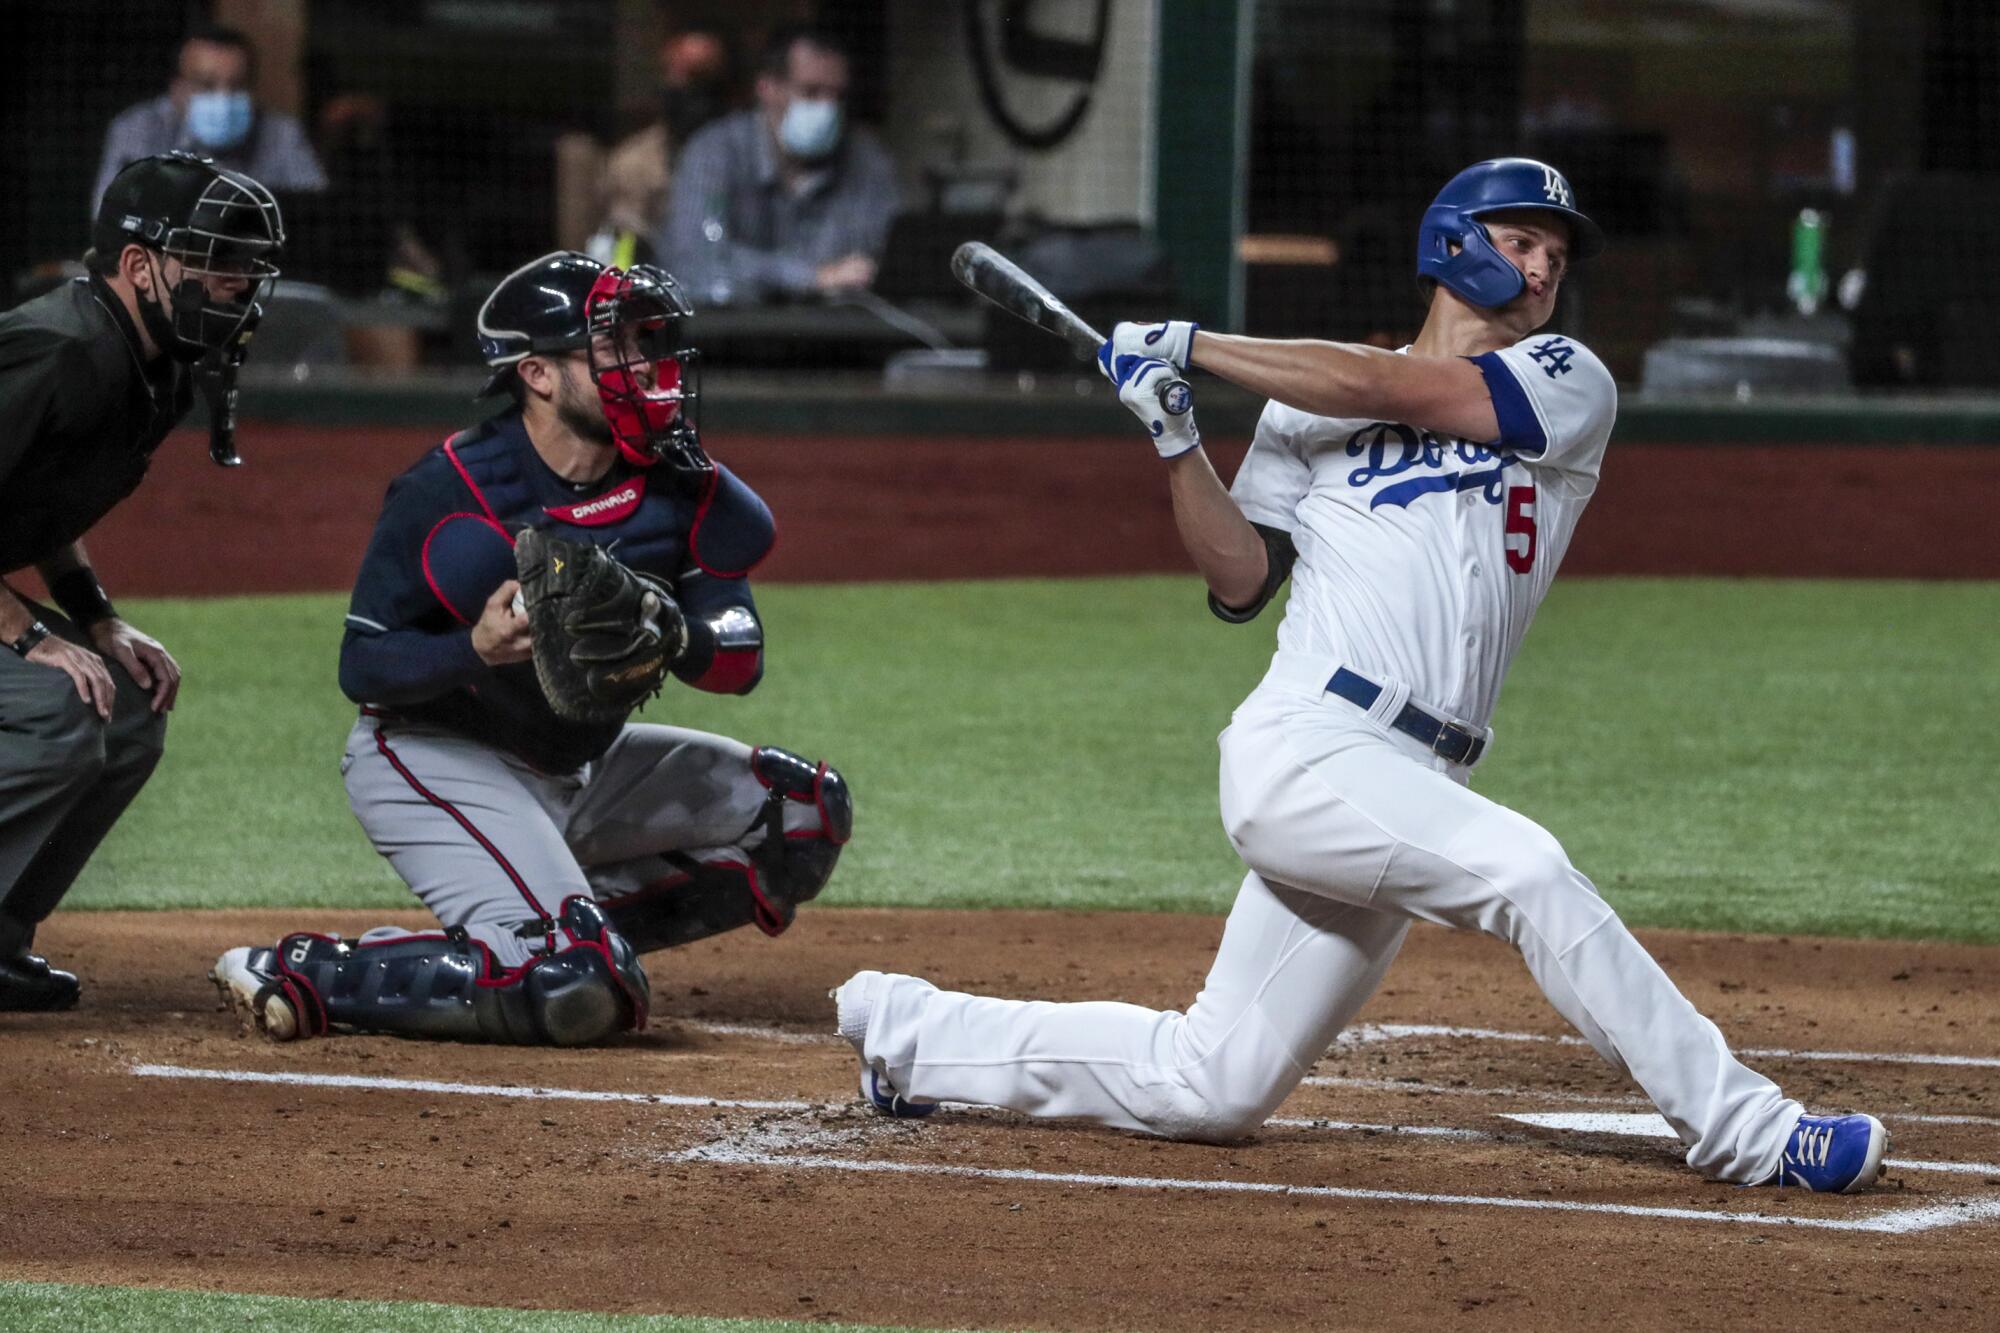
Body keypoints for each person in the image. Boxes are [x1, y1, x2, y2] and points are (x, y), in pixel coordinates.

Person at [832, 158, 1889, 1194]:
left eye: (1554, 256)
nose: (1539, 271)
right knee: (1526, 873)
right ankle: (1752, 1131)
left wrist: (1193, 342)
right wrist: (1173, 438)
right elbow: (1239, 578)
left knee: (1210, 1083)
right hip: (1306, 747)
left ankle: (910, 1035)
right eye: (1520, 242)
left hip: (1414, 781)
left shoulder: (1563, 379)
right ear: (1453, 245)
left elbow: (1390, 384)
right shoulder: (1303, 407)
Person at [209, 251, 851, 1046]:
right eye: (617, 347)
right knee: (580, 987)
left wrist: (679, 634)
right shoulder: (449, 492)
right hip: (437, 758)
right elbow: (363, 667)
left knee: (802, 814)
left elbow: (738, 659)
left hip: (583, 767)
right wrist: (475, 650)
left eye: (650, 343)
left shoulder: (678, 481)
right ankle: (308, 970)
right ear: (539, 375)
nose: (647, 365)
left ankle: (532, 941)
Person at [0, 152, 284, 1010]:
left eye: (247, 266)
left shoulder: (156, 362)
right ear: (139, 265)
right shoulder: (54, 350)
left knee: (125, 702)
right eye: (217, 261)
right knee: (54, 706)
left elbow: (41, 501)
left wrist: (97, 620)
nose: (240, 284)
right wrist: (27, 635)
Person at [657, 25, 900, 307]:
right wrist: (811, 277)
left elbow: (878, 261)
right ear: (767, 88)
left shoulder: (867, 160)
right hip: (732, 338)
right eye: (811, 92)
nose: (828, 108)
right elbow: (697, 257)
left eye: (837, 95)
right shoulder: (714, 151)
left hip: (837, 337)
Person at [90, 24, 326, 213]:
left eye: (237, 86)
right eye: (206, 85)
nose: (223, 97)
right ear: (176, 87)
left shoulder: (282, 133)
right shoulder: (136, 128)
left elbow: (315, 217)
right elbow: (108, 218)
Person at [586, 29, 737, 270]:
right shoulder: (633, 163)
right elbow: (623, 249)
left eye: (702, 80)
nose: (692, 95)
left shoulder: (742, 154)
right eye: (679, 79)